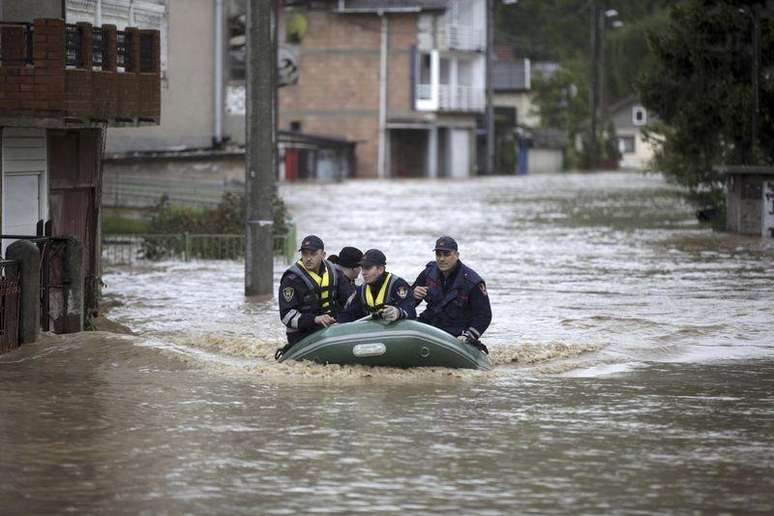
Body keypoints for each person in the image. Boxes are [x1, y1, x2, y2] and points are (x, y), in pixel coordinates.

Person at [412, 236, 492, 353]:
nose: (442, 259)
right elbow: (406, 303)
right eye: (438, 254)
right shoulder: (428, 273)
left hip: (456, 332)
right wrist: (413, 295)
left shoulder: (472, 281)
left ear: (457, 255)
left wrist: (469, 335)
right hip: (429, 325)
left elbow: (484, 315)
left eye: (446, 254)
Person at [277, 235, 352, 357]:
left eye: (313, 254)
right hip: (302, 335)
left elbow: (350, 301)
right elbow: (286, 316)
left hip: (333, 330)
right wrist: (315, 319)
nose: (308, 258)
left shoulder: (335, 272)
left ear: (323, 255)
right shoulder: (291, 279)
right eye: (305, 254)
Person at [338, 249, 416, 323]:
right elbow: (350, 313)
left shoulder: (398, 285)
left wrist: (398, 312)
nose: (363, 272)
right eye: (362, 268)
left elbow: (409, 309)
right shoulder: (362, 290)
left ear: (380, 269)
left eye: (367, 268)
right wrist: (336, 322)